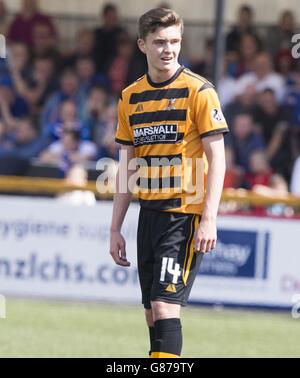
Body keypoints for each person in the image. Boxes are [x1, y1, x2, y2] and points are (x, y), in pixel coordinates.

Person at [109, 8, 229, 358]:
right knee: (151, 314)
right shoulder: (130, 97)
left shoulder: (199, 91)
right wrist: (115, 227)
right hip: (149, 213)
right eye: (160, 42)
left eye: (175, 41)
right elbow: (125, 166)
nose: (168, 49)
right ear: (142, 45)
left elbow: (218, 158)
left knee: (164, 307)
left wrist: (209, 217)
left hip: (183, 214)